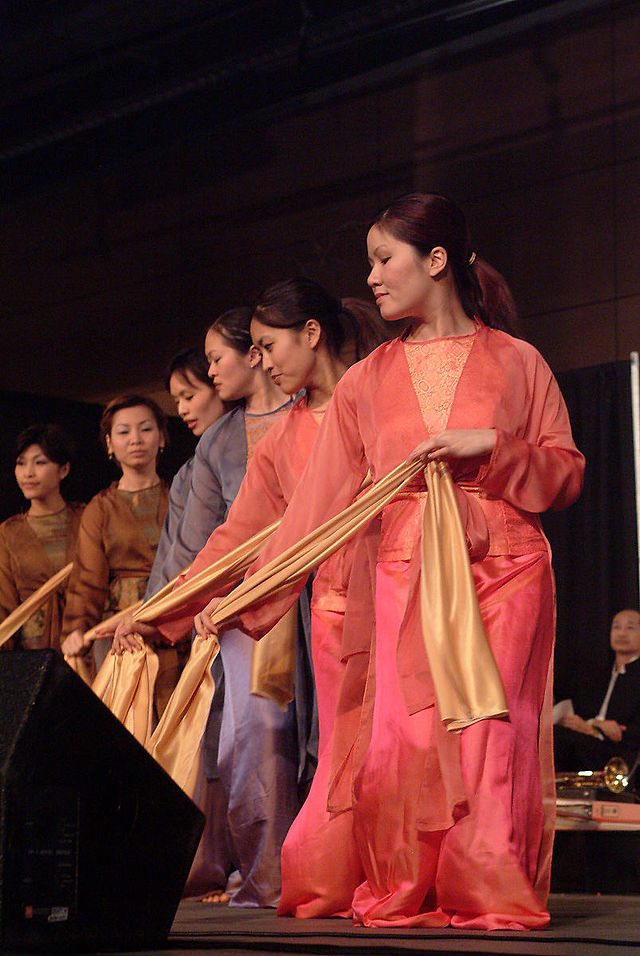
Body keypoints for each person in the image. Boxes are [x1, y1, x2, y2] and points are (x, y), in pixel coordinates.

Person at [196, 194, 585, 929]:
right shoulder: (369, 378)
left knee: (488, 738)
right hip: (402, 573)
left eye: (384, 259)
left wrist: (492, 449)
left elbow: (565, 472)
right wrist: (250, 595)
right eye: (370, 261)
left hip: (501, 565)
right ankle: (410, 880)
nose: (370, 278)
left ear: (436, 261)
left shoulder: (518, 361)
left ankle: (487, 889)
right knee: (403, 741)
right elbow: (315, 508)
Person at [119, 279, 385, 915]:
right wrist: (163, 611)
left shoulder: (372, 394)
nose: (259, 361)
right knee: (302, 744)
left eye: (262, 347)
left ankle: (392, 875)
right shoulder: (257, 436)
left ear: (309, 336)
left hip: (381, 582)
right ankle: (292, 875)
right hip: (298, 592)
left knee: (387, 737)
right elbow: (229, 538)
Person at [113, 306, 299, 909]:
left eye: (215, 360)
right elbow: (207, 545)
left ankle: (322, 872)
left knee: (319, 736)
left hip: (317, 591)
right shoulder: (221, 441)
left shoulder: (312, 412)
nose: (210, 377)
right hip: (242, 606)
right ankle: (264, 875)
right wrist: (158, 613)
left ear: (256, 353)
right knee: (250, 739)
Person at [60, 395, 174, 713]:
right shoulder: (100, 508)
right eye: (124, 432)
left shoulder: (182, 494)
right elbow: (87, 579)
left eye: (146, 429)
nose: (135, 439)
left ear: (162, 437)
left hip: (173, 627)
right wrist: (76, 629)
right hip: (119, 635)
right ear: (109, 444)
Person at [145, 347, 227, 598]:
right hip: (201, 593)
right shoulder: (187, 473)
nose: (180, 410)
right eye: (177, 401)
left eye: (189, 397)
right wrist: (152, 605)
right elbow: (177, 547)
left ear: (218, 385)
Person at [0, 424, 83, 652]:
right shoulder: (8, 533)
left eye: (39, 462)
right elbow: (3, 605)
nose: (28, 472)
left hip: (84, 643)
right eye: (21, 463)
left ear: (63, 469)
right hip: (33, 650)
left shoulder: (88, 518)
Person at [554, 609, 640, 772]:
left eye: (630, 628)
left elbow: (628, 733)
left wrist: (596, 731)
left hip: (617, 754)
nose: (621, 633)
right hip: (585, 742)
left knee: (559, 739)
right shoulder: (596, 675)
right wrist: (592, 725)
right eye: (616, 627)